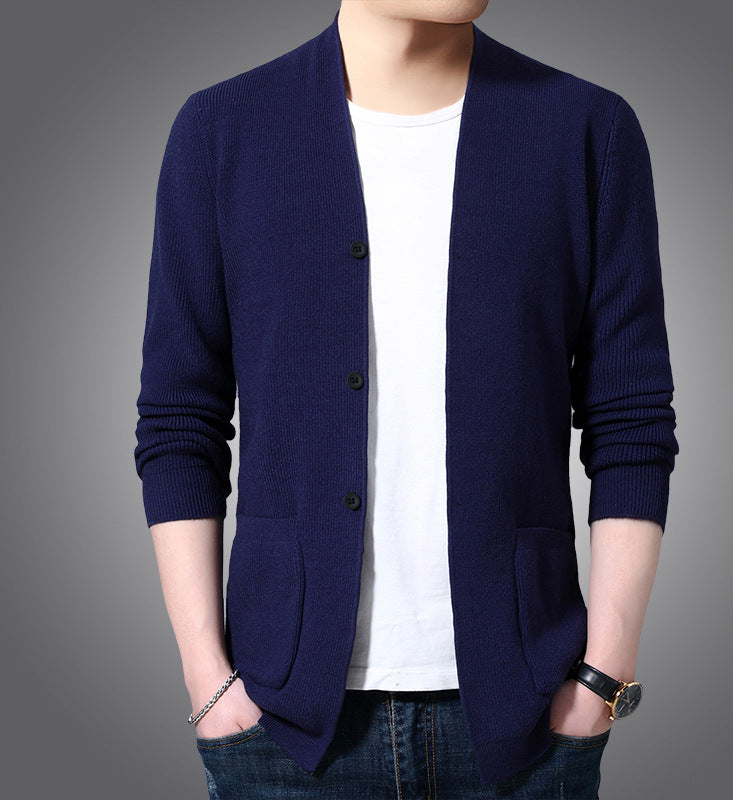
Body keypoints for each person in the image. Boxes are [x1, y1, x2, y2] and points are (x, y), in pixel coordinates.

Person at [133, 1, 679, 797]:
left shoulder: (587, 131)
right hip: (280, 724)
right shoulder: (223, 131)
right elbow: (181, 420)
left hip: (528, 717)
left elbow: (630, 418)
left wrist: (605, 676)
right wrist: (207, 680)